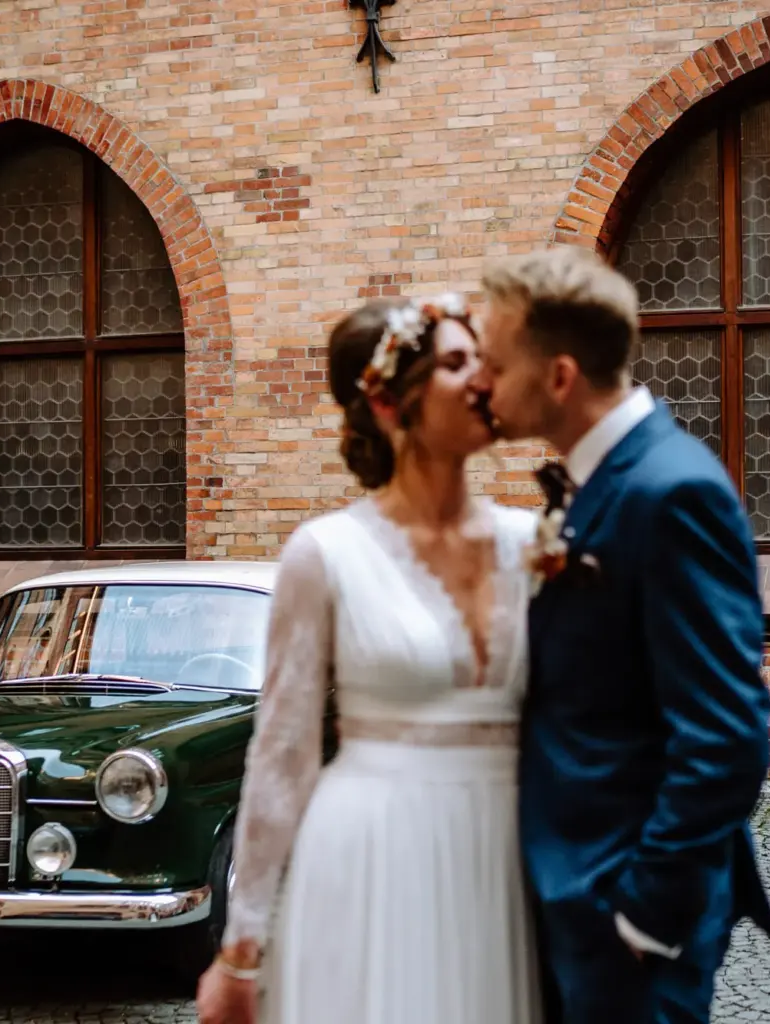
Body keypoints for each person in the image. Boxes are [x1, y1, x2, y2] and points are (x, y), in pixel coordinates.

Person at [196, 295, 543, 1024]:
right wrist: (242, 946)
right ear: (390, 403)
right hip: (374, 855)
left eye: (480, 359)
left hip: (506, 862)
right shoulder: (325, 555)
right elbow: (283, 753)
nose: (483, 379)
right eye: (456, 363)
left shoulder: (533, 546)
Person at [471, 246, 770, 1024]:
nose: (482, 384)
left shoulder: (671, 492)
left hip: (623, 915)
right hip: (574, 898)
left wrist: (644, 916)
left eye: (496, 365)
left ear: (559, 376)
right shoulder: (604, 484)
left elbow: (727, 735)